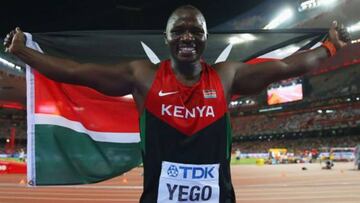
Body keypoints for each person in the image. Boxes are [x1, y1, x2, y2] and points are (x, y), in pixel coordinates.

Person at [4, 5, 351, 203]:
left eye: (196, 31)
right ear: (168, 38)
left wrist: (330, 47)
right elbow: (77, 72)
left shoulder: (226, 76)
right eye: (180, 31)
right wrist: (23, 52)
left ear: (205, 39)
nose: (188, 36)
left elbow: (290, 66)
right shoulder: (142, 75)